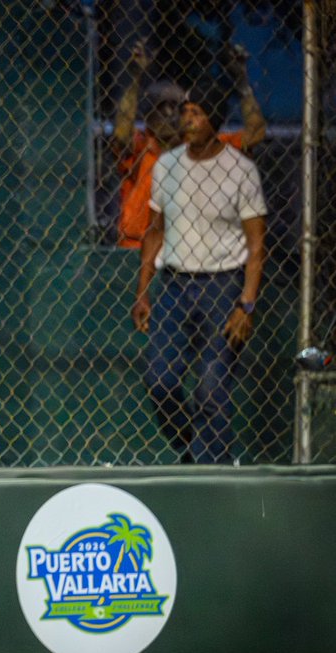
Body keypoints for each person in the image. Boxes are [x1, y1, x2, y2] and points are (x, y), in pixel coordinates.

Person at [130, 82, 267, 464]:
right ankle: (197, 450)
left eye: (196, 113)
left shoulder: (239, 170)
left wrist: (247, 304)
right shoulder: (168, 167)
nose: (187, 119)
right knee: (160, 381)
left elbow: (257, 245)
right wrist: (143, 290)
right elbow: (155, 230)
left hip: (223, 286)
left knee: (211, 387)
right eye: (184, 112)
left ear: (215, 120)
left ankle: (214, 471)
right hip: (174, 284)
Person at [112, 40, 265, 250]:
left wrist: (242, 84)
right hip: (137, 248)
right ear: (147, 116)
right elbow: (122, 130)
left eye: (175, 107)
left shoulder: (200, 146)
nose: (168, 114)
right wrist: (134, 77)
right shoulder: (141, 146)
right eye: (160, 106)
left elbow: (255, 133)